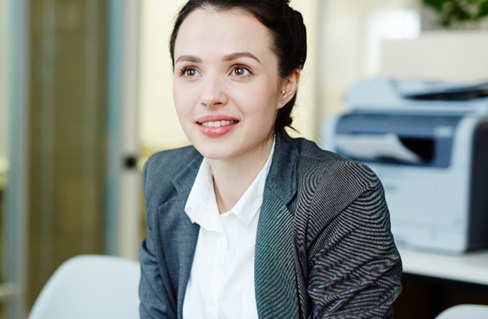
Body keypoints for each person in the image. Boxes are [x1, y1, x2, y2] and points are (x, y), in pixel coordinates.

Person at [138, 0, 402, 318]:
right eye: (190, 71)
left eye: (239, 70)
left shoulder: (339, 194)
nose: (209, 96)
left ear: (285, 86)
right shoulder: (163, 175)